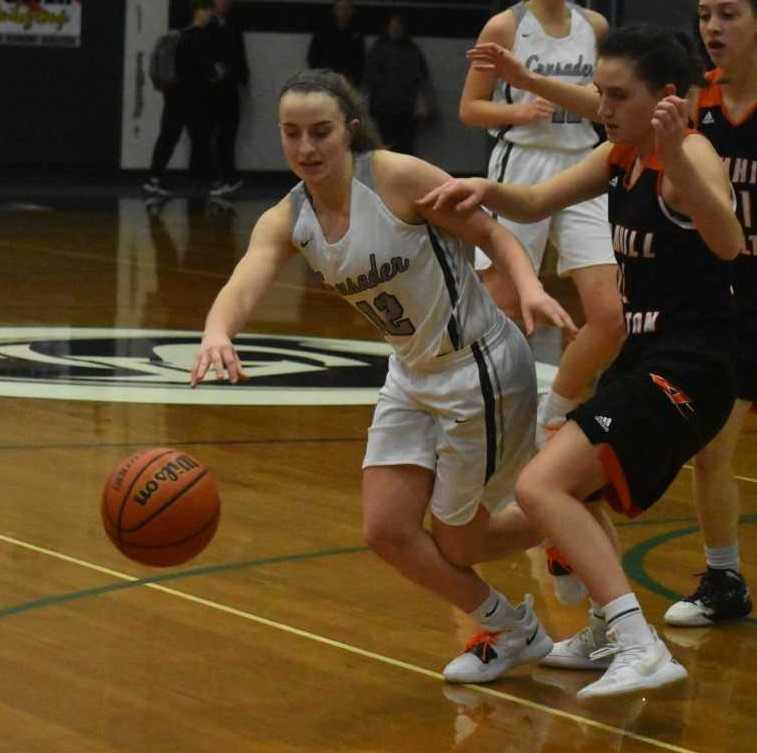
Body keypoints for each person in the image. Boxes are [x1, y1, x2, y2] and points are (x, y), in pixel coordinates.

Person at [189, 69, 579, 684]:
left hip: (476, 365)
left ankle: (571, 510)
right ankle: (512, 628)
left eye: (320, 132)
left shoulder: (395, 176)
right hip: (411, 374)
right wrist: (218, 333)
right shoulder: (289, 217)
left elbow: (491, 232)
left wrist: (528, 288)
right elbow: (245, 279)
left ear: (348, 130)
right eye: (291, 134)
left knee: (461, 546)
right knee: (386, 530)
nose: (306, 148)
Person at [419, 25, 744, 698]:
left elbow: (729, 239)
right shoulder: (618, 155)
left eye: (617, 96)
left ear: (666, 99)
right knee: (563, 483)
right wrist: (479, 187)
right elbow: (536, 200)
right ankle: (603, 627)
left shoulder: (690, 154)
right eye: (598, 92)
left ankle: (637, 643)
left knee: (541, 485)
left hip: (694, 365)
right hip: (647, 360)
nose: (601, 107)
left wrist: (675, 154)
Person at [663, 0, 757, 626]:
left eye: (728, 14)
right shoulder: (701, 102)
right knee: (710, 447)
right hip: (740, 289)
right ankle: (724, 579)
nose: (712, 27)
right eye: (704, 15)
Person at [459, 0, 624, 451]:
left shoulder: (595, 25)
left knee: (611, 314)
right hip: (522, 162)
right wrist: (518, 112)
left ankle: (555, 410)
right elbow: (470, 109)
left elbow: (608, 99)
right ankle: (487, 422)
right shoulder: (504, 25)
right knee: (503, 308)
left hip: (585, 166)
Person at [144, 0, 217, 197]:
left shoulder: (181, 36)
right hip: (190, 96)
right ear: (197, 12)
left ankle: (155, 178)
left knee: (171, 137)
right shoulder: (197, 37)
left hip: (176, 96)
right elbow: (200, 68)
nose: (209, 14)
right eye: (206, 10)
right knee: (198, 138)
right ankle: (206, 181)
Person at [364, 13, 433, 155]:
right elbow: (370, 76)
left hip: (404, 107)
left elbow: (421, 77)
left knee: (404, 147)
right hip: (385, 107)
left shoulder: (409, 49)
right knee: (386, 146)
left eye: (398, 27)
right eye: (393, 26)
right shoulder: (381, 48)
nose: (395, 30)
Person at [207, 0, 250, 197]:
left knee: (229, 133)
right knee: (214, 134)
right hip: (212, 87)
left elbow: (240, 54)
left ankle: (228, 176)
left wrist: (243, 78)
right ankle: (217, 177)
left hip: (230, 86)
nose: (225, 3)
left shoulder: (234, 25)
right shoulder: (207, 25)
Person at [306, 0, 365, 87]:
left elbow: (360, 60)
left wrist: (354, 78)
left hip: (348, 81)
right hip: (325, 79)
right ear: (334, 10)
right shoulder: (323, 32)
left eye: (347, 9)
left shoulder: (356, 33)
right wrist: (320, 76)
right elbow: (313, 57)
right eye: (341, 8)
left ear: (352, 11)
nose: (344, 12)